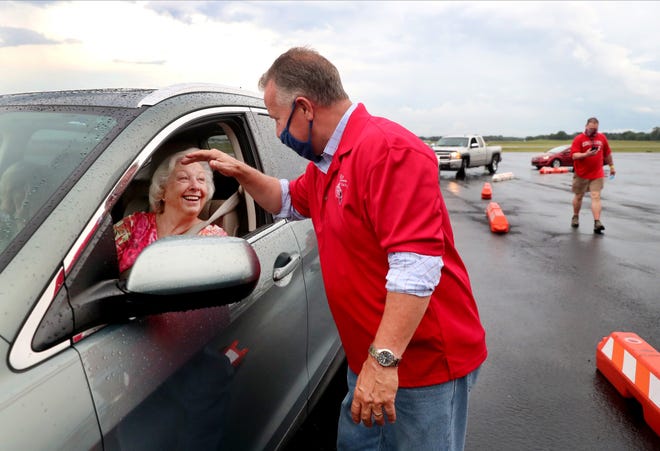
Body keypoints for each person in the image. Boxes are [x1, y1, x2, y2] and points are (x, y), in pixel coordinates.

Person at [182, 47, 487, 450]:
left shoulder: (388, 151)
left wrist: (382, 365)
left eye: (276, 119)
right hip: (370, 361)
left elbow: (415, 266)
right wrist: (241, 171)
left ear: (305, 108)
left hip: (420, 368)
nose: (276, 133)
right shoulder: (330, 162)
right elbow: (287, 200)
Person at [114, 149, 227, 274]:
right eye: (184, 178)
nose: (195, 186)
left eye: (201, 179)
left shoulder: (212, 239)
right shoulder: (134, 225)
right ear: (162, 190)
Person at [569, 117, 615, 234]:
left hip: (597, 173)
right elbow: (574, 155)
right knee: (579, 196)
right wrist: (586, 154)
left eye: (595, 129)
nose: (593, 131)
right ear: (586, 126)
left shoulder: (602, 138)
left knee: (596, 196)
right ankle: (575, 216)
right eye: (591, 128)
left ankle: (597, 222)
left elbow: (607, 153)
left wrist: (611, 166)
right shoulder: (579, 139)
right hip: (581, 173)